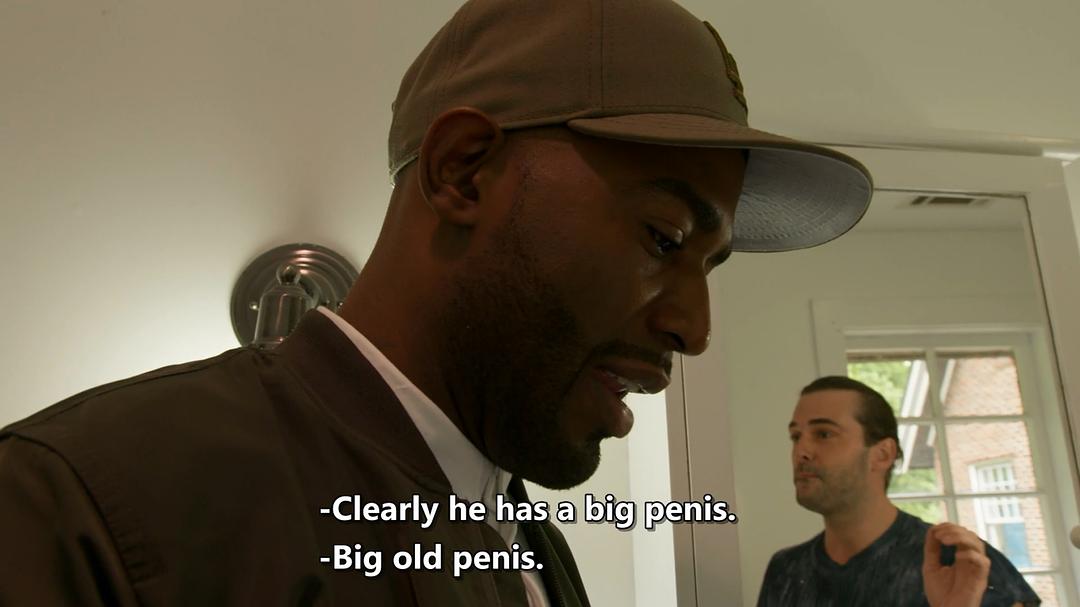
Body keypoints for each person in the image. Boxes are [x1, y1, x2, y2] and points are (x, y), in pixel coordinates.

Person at [0, 0, 885, 605]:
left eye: (711, 266)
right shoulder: (83, 504)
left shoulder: (524, 536)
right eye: (662, 238)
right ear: (462, 170)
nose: (694, 329)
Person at [758, 375, 1041, 607]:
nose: (801, 451)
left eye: (823, 434)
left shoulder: (958, 561)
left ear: (882, 454)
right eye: (796, 436)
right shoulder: (786, 571)